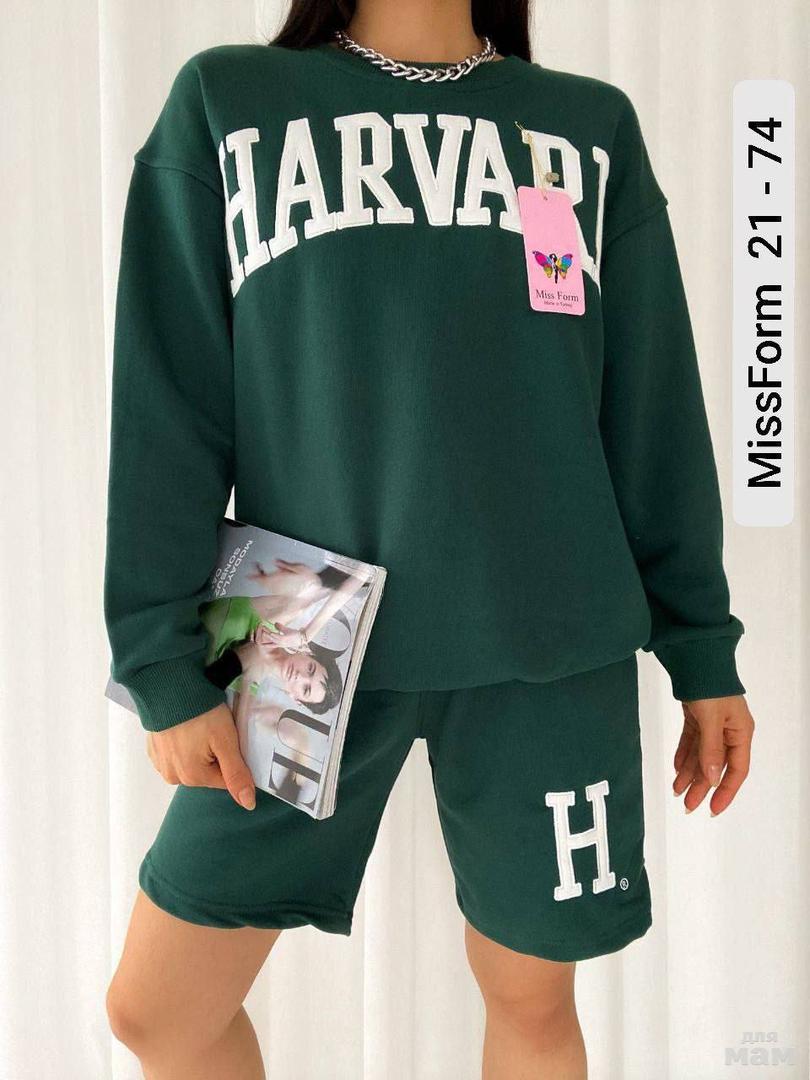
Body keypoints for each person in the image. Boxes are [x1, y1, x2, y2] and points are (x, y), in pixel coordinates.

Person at [102, 2, 756, 1077]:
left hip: (548, 626)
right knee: (158, 1011)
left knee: (533, 1003)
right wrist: (161, 660)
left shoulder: (581, 127)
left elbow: (651, 411)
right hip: (294, 623)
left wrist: (703, 649)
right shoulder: (230, 103)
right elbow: (168, 408)